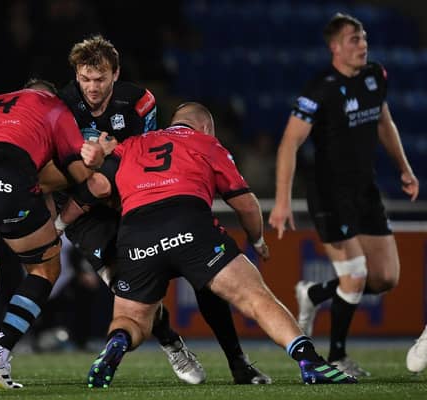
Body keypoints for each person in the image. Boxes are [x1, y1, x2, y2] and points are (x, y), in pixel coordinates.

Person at [80, 102, 356, 387]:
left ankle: (118, 343)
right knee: (255, 298)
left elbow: (99, 185)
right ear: (206, 127)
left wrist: (100, 154)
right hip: (188, 223)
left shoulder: (133, 144)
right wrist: (256, 239)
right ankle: (309, 361)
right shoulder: (207, 144)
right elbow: (246, 205)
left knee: (132, 319)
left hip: (136, 233)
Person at [49, 34, 271, 384]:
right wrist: (65, 209)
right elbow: (55, 167)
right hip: (87, 208)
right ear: (75, 75)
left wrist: (108, 161)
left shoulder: (139, 102)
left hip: (134, 200)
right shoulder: (59, 107)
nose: (92, 87)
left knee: (205, 277)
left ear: (116, 74)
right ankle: (171, 342)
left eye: (101, 79)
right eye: (85, 79)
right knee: (127, 288)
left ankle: (236, 360)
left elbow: (150, 154)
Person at [268, 13, 420, 377]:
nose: (363, 44)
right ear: (335, 47)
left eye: (364, 36)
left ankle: (316, 293)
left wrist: (404, 167)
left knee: (384, 277)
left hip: (364, 189)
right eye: (354, 38)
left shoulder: (374, 76)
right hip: (329, 192)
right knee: (354, 274)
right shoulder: (320, 88)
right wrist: (283, 199)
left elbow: (384, 121)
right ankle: (337, 355)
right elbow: (290, 142)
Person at [0, 83, 105, 389]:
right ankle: (0, 355)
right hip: (8, 174)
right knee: (46, 268)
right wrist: (98, 160)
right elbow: (82, 177)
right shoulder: (56, 108)